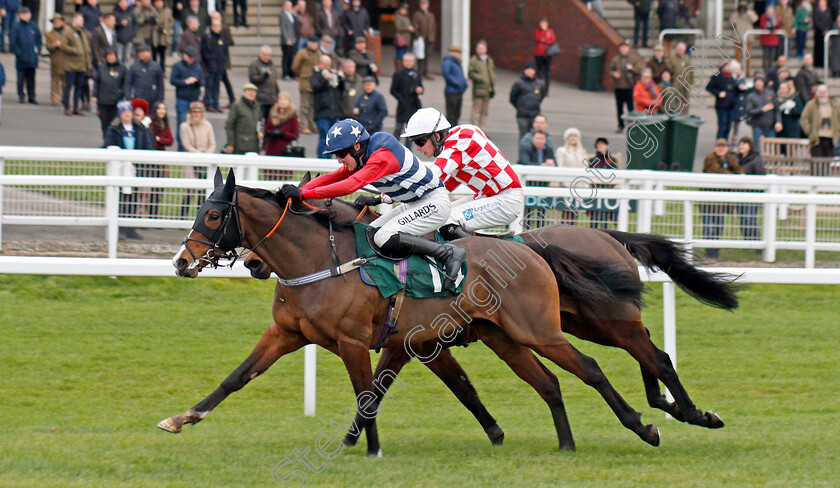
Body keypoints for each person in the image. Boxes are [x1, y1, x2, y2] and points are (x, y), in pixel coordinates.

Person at [279, 118, 465, 290]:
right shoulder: (364, 154)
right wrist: (300, 190)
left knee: (383, 237)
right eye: (336, 155)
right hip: (415, 203)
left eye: (342, 153)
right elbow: (335, 176)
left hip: (435, 203)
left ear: (357, 146)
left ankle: (448, 254)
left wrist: (304, 194)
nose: (339, 159)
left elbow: (351, 185)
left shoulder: (382, 156)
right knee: (368, 233)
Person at [400, 107, 524, 236]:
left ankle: (473, 254)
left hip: (506, 199)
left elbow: (433, 175)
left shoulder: (460, 141)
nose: (418, 148)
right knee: (435, 214)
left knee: (445, 220)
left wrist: (393, 193)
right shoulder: (455, 148)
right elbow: (439, 187)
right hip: (489, 197)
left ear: (437, 136)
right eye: (414, 142)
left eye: (420, 141)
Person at [104, 100, 154, 240]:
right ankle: (119, 228)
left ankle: (131, 228)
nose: (127, 115)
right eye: (124, 112)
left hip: (135, 168)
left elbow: (148, 146)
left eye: (129, 112)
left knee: (133, 198)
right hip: (119, 169)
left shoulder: (139, 128)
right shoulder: (114, 128)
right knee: (120, 199)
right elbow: (108, 145)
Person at [701, 139, 744, 259]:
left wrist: (740, 173)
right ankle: (710, 251)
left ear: (727, 148)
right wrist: (734, 176)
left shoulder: (729, 159)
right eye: (718, 146)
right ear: (715, 148)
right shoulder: (710, 158)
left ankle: (715, 251)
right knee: (708, 227)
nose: (721, 149)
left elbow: (738, 169)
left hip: (720, 201)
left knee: (719, 226)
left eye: (723, 147)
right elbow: (716, 171)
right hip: (708, 200)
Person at [179, 101, 215, 216]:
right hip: (191, 162)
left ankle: (199, 218)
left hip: (204, 162)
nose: (196, 115)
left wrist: (206, 155)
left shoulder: (207, 125)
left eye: (199, 112)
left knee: (203, 192)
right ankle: (182, 216)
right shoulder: (185, 126)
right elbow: (186, 144)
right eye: (194, 112)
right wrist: (198, 154)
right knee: (190, 191)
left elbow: (212, 143)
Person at [517, 129, 554, 228]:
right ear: (533, 139)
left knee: (541, 212)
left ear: (545, 140)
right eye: (537, 138)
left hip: (543, 186)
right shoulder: (527, 148)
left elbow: (555, 164)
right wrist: (543, 165)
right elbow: (525, 162)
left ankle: (539, 234)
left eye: (542, 138)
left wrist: (551, 164)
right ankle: (524, 231)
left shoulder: (548, 150)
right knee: (527, 211)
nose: (539, 140)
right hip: (529, 185)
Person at [170, 45, 204, 150]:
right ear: (185, 56)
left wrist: (197, 81)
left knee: (197, 125)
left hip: (195, 99)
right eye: (190, 57)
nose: (192, 59)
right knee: (182, 125)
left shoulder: (197, 67)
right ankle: (181, 149)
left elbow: (203, 81)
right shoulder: (178, 66)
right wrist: (185, 82)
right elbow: (173, 80)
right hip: (182, 99)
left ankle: (195, 148)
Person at [310, 54, 345, 158]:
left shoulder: (333, 75)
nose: (327, 67)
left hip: (334, 111)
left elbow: (341, 90)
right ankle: (321, 158)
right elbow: (315, 87)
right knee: (324, 135)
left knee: (333, 138)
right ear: (320, 64)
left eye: (329, 65)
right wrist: (325, 79)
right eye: (325, 65)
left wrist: (341, 79)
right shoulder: (316, 75)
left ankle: (329, 157)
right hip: (322, 112)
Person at [61, 13, 93, 116]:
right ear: (74, 20)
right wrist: (75, 50)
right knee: (69, 86)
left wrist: (88, 63)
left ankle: (76, 107)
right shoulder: (67, 31)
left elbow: (86, 47)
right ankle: (67, 107)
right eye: (80, 20)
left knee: (79, 87)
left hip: (81, 65)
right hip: (71, 64)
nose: (82, 22)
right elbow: (63, 46)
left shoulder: (82, 32)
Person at [735, 136, 766, 240]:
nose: (741, 146)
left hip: (752, 194)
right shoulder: (737, 159)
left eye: (744, 144)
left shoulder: (756, 159)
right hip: (740, 193)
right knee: (742, 218)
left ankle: (755, 240)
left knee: (749, 218)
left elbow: (761, 175)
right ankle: (747, 240)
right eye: (740, 144)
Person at [390, 52, 423, 143]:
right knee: (398, 129)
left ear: (414, 62)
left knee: (411, 131)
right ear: (403, 62)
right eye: (406, 61)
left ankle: (409, 150)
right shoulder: (398, 74)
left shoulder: (417, 73)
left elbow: (421, 86)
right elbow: (393, 90)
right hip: (402, 105)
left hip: (413, 104)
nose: (408, 63)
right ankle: (394, 147)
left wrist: (419, 90)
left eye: (411, 61)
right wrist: (401, 99)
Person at [609, 41, 641, 132]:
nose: (623, 49)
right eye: (622, 48)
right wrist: (613, 73)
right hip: (619, 86)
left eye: (625, 47)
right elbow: (610, 70)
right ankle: (620, 125)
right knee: (619, 108)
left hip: (630, 86)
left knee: (630, 107)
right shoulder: (615, 59)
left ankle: (632, 125)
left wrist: (632, 69)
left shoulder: (633, 59)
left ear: (629, 48)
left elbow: (638, 71)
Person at [10, 7, 40, 104]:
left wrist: (37, 51)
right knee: (21, 79)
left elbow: (38, 40)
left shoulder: (34, 26)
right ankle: (21, 95)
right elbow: (13, 41)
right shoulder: (16, 26)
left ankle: (32, 96)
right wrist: (18, 52)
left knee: (31, 79)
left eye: (27, 14)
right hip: (21, 58)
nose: (25, 16)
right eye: (23, 14)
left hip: (32, 57)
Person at [800, 84, 840, 157]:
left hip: (831, 138)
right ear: (816, 93)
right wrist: (809, 131)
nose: (822, 94)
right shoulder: (811, 105)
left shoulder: (834, 105)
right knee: (816, 161)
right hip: (816, 138)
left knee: (828, 161)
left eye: (824, 92)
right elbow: (804, 119)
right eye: (820, 92)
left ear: (827, 93)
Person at [291, 35, 320, 134]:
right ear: (308, 43)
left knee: (313, 106)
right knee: (305, 106)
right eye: (312, 43)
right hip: (305, 82)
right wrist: (302, 74)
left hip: (315, 83)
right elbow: (295, 67)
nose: (314, 45)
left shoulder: (319, 53)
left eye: (316, 43)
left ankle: (311, 124)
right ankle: (303, 125)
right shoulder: (302, 53)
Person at [92, 49, 125, 136]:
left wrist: (124, 95)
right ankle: (106, 140)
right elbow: (97, 83)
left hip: (116, 101)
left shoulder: (122, 69)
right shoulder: (102, 68)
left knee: (115, 122)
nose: (110, 58)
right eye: (108, 56)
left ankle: (114, 140)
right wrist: (94, 95)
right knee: (104, 122)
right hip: (103, 100)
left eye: (112, 55)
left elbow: (125, 83)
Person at [509, 62, 545, 139]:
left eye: (532, 69)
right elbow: (512, 98)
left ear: (534, 71)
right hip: (522, 115)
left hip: (535, 114)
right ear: (525, 71)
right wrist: (519, 106)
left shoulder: (539, 83)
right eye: (528, 69)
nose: (530, 71)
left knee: (535, 135)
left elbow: (542, 96)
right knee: (524, 136)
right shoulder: (519, 83)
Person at [588, 137, 618, 229]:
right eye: (599, 145)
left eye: (603, 144)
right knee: (595, 216)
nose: (601, 146)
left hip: (608, 190)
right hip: (596, 190)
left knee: (605, 215)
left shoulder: (612, 160)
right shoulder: (593, 160)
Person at [224, 83, 262, 154]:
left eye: (254, 92)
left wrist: (261, 132)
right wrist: (230, 143)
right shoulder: (237, 106)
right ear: (244, 93)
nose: (252, 94)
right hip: (239, 144)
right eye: (249, 92)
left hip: (254, 145)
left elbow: (260, 122)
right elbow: (229, 126)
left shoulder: (257, 107)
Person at [124, 44, 163, 109]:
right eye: (139, 52)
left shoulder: (156, 67)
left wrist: (160, 99)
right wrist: (128, 96)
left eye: (143, 52)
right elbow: (128, 83)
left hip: (152, 99)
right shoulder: (134, 67)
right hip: (138, 98)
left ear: (149, 53)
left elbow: (160, 84)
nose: (141, 54)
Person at [706, 61, 739, 140]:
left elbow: (735, 89)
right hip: (722, 105)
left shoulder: (732, 77)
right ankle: (720, 141)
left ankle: (725, 142)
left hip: (731, 105)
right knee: (722, 125)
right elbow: (709, 88)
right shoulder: (716, 76)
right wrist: (718, 93)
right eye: (727, 66)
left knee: (728, 126)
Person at [200, 18, 228, 113]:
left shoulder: (222, 38)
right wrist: (209, 60)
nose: (217, 28)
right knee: (209, 85)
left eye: (218, 26)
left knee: (217, 87)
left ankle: (216, 103)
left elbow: (225, 51)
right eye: (215, 26)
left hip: (219, 66)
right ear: (212, 27)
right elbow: (204, 51)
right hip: (210, 66)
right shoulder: (207, 37)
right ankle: (209, 103)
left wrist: (223, 60)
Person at [744, 75, 781, 144]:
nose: (758, 84)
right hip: (758, 126)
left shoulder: (771, 94)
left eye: (760, 82)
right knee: (759, 147)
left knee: (771, 147)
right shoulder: (751, 96)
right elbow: (749, 111)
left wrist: (778, 121)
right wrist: (762, 109)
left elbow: (776, 110)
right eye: (756, 82)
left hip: (770, 126)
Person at [248, 44, 280, 121]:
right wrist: (264, 76)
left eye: (269, 55)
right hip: (260, 98)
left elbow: (274, 82)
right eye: (264, 55)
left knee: (269, 120)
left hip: (271, 99)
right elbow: (253, 79)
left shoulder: (272, 65)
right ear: (260, 54)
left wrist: (277, 94)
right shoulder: (255, 65)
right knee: (259, 120)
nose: (267, 57)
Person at [263, 92, 300, 160]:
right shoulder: (273, 113)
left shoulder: (293, 116)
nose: (283, 102)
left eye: (285, 100)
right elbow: (267, 129)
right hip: (271, 147)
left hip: (285, 149)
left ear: (289, 102)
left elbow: (295, 134)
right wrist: (272, 132)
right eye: (281, 99)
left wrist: (283, 134)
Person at [468, 39, 495, 129]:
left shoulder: (488, 60)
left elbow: (491, 71)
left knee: (484, 112)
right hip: (478, 90)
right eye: (479, 48)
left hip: (488, 90)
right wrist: (481, 78)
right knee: (476, 111)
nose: (481, 50)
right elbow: (471, 73)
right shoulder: (474, 60)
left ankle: (482, 129)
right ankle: (475, 128)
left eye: (482, 48)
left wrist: (493, 80)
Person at [442, 45, 467, 126]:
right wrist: (456, 83)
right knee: (451, 114)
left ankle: (454, 128)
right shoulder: (448, 62)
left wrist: (464, 85)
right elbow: (446, 74)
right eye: (457, 53)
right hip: (452, 90)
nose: (459, 54)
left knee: (456, 113)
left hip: (458, 91)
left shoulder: (457, 63)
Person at [45, 14, 66, 107]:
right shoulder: (49, 34)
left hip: (66, 59)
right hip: (56, 59)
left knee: (66, 81)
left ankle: (65, 98)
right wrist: (54, 45)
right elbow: (48, 46)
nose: (57, 23)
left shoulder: (67, 33)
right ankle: (55, 98)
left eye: (59, 21)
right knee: (55, 80)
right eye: (55, 22)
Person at [412, 0, 436, 80]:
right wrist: (418, 36)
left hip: (430, 38)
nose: (423, 5)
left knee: (427, 56)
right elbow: (415, 26)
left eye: (425, 4)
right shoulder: (417, 14)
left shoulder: (430, 15)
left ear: (428, 5)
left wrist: (432, 35)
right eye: (422, 4)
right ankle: (419, 73)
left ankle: (426, 72)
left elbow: (433, 26)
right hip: (421, 38)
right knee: (420, 56)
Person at [668, 41, 693, 114]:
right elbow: (670, 71)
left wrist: (691, 81)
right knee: (677, 100)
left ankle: (685, 114)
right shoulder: (672, 58)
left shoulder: (687, 58)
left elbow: (691, 70)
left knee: (685, 100)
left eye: (682, 49)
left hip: (686, 84)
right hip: (676, 84)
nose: (680, 51)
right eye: (679, 49)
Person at [533, 17, 556, 95]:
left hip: (547, 53)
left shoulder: (550, 31)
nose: (542, 25)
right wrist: (545, 39)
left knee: (547, 72)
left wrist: (544, 39)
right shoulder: (537, 31)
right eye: (541, 23)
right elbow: (538, 38)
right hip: (539, 53)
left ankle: (546, 91)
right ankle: (537, 89)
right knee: (539, 72)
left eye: (544, 23)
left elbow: (552, 40)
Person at [278, 0, 299, 80]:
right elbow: (283, 28)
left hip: (292, 39)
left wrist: (294, 38)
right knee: (286, 58)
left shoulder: (292, 14)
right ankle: (285, 73)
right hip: (286, 40)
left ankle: (291, 73)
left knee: (292, 57)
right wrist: (287, 39)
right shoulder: (282, 15)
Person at [151, 0, 174, 72]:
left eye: (160, 2)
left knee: (162, 55)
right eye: (157, 2)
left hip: (163, 36)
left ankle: (162, 70)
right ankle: (154, 70)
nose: (159, 4)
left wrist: (166, 29)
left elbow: (172, 22)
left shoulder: (167, 11)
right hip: (154, 35)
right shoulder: (152, 11)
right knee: (154, 55)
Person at [112, 0, 136, 65]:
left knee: (127, 58)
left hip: (129, 39)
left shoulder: (131, 13)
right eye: (122, 2)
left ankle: (126, 73)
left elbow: (135, 24)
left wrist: (132, 33)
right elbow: (113, 25)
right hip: (119, 39)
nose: (124, 4)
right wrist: (120, 24)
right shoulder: (115, 12)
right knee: (119, 57)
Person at [759, 6, 781, 72]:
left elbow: (778, 27)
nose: (770, 13)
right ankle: (765, 70)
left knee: (772, 56)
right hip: (766, 40)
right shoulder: (763, 17)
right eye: (769, 12)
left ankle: (771, 70)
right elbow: (763, 26)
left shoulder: (777, 17)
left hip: (774, 40)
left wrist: (773, 28)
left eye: (771, 12)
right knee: (766, 56)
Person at [393, 3, 413, 70]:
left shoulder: (406, 17)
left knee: (405, 55)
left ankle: (404, 69)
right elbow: (398, 27)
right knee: (399, 56)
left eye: (405, 9)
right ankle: (399, 69)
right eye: (402, 9)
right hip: (400, 39)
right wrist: (408, 28)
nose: (403, 11)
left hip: (406, 39)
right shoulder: (398, 17)